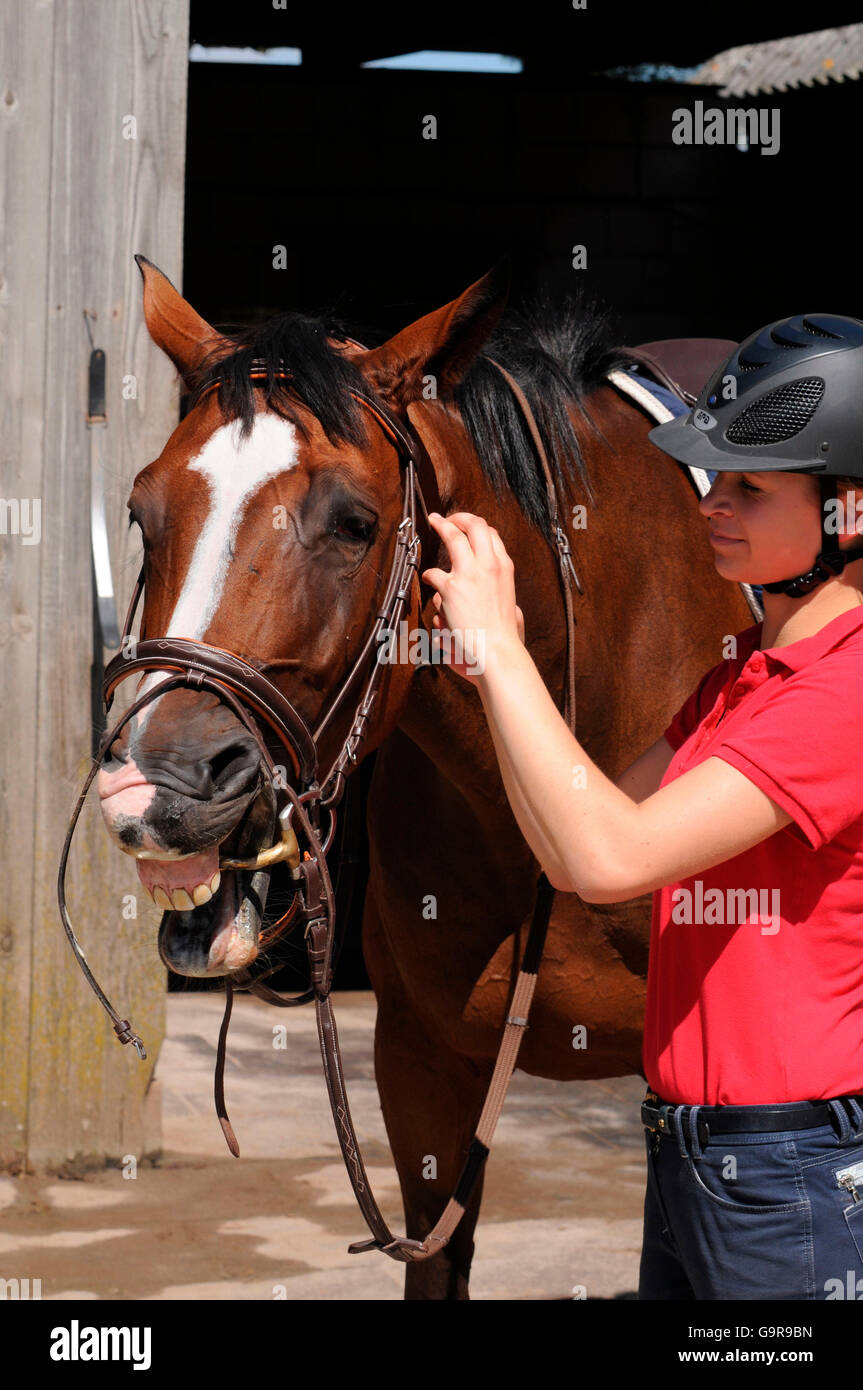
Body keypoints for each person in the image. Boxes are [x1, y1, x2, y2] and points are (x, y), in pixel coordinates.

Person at [421, 314, 863, 1301]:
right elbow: (566, 854)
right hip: (692, 1148)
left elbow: (614, 855)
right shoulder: (740, 681)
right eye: (715, 479)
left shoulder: (843, 692)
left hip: (786, 1162)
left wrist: (497, 648)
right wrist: (497, 682)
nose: (712, 503)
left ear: (851, 513)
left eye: (750, 486)